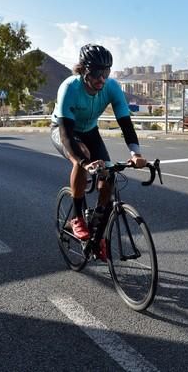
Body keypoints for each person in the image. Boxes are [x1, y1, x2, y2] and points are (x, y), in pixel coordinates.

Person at [51, 44, 147, 249]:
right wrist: (85, 163)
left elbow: (125, 123)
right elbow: (66, 135)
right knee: (82, 156)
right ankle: (77, 218)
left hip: (90, 131)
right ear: (83, 70)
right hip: (64, 130)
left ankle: (98, 235)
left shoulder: (111, 87)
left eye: (106, 72)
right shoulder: (69, 88)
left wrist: (136, 153)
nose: (101, 79)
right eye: (96, 73)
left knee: (108, 175)